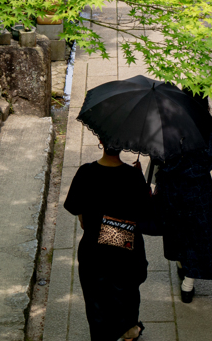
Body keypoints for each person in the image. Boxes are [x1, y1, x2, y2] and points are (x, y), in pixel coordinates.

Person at [64, 143, 149, 341]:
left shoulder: (86, 172)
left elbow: (73, 205)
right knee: (126, 290)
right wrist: (140, 180)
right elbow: (145, 213)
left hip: (94, 244)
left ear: (101, 142)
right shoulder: (132, 176)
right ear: (123, 146)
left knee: (95, 295)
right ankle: (128, 330)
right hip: (125, 243)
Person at [153, 93, 212, 303]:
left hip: (172, 188)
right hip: (198, 190)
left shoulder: (168, 127)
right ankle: (189, 283)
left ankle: (179, 262)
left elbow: (158, 156)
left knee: (176, 228)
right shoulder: (208, 130)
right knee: (198, 234)